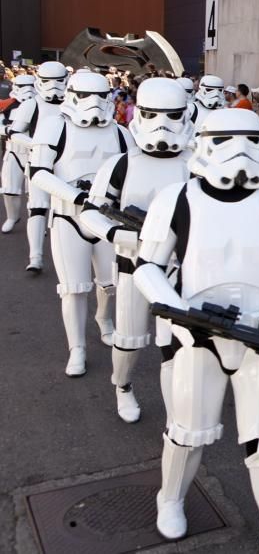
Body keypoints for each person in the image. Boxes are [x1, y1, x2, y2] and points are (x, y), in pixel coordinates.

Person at [133, 110, 259, 553]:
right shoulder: (176, 198)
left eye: (250, 140)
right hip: (198, 338)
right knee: (187, 432)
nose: (239, 150)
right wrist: (181, 316)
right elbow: (148, 266)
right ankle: (170, 498)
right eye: (226, 139)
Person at [78, 78, 193, 423]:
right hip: (132, 263)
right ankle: (122, 386)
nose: (162, 125)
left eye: (172, 116)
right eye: (153, 115)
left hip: (180, 268)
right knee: (128, 341)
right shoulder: (122, 163)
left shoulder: (198, 161)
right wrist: (119, 235)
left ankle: (176, 410)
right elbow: (91, 212)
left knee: (173, 345)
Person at [29, 72, 134, 376]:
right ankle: (77, 347)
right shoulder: (54, 126)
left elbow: (132, 171)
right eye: (87, 95)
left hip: (107, 219)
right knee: (74, 288)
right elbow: (38, 172)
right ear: (72, 93)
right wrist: (77, 196)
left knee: (111, 282)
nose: (95, 103)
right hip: (67, 216)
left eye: (102, 96)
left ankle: (104, 319)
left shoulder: (120, 133)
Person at [6, 60, 68, 271]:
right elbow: (15, 133)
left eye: (59, 81)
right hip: (39, 162)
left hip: (67, 163)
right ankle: (36, 257)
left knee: (69, 211)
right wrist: (39, 145)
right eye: (48, 81)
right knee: (38, 207)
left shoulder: (72, 103)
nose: (54, 86)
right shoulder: (32, 104)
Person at [0, 74, 35, 233]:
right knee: (9, 189)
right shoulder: (7, 105)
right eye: (22, 86)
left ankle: (35, 221)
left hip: (34, 153)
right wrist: (8, 130)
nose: (26, 91)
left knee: (34, 192)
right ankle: (12, 217)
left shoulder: (41, 107)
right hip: (13, 151)